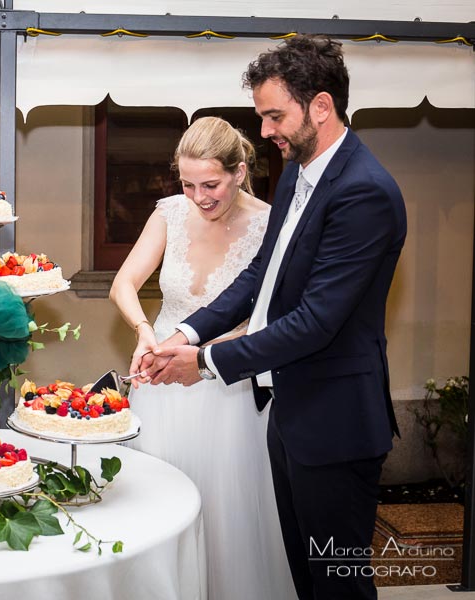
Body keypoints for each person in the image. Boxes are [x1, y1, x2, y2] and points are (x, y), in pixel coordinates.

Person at [137, 35, 406, 600]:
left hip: (335, 427)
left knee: (339, 586)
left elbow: (315, 322)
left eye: (274, 115)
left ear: (322, 106)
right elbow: (261, 275)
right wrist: (187, 332)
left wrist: (205, 362)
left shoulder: (365, 192)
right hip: (289, 414)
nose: (265, 132)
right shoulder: (300, 175)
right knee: (305, 583)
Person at [110, 116, 297, 600]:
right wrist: (144, 331)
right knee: (157, 505)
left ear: (239, 171)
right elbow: (123, 283)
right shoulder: (170, 212)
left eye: (210, 183)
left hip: (225, 389)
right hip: (160, 385)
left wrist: (205, 353)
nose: (199, 196)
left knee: (224, 515)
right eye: (188, 184)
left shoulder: (268, 223)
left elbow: (270, 316)